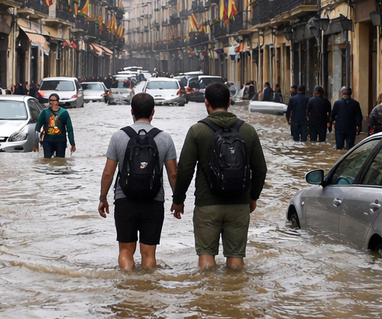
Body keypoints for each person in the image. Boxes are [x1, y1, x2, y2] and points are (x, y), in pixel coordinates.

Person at [171, 82, 267, 269]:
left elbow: (185, 169)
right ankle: (234, 287)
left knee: (206, 257)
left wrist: (178, 200)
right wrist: (252, 197)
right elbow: (260, 169)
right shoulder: (248, 131)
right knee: (236, 259)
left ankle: (210, 288)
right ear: (229, 102)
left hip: (207, 204)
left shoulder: (197, 131)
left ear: (206, 102)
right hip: (239, 203)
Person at [98, 93, 178, 270]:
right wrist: (177, 200)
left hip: (124, 200)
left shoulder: (118, 136)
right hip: (154, 201)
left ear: (132, 111)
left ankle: (128, 283)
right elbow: (173, 174)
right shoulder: (164, 138)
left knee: (126, 251)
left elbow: (108, 173)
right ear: (153, 112)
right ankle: (147, 285)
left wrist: (103, 198)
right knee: (149, 254)